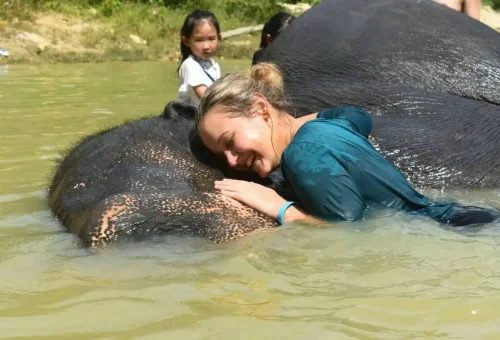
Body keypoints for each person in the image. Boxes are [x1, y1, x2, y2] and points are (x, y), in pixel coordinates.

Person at [195, 62, 498, 227]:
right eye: (222, 156)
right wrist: (299, 123)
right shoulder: (327, 128)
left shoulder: (302, 153)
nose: (232, 161)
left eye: (230, 142)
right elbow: (360, 116)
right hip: (462, 216)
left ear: (261, 109)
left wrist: (281, 208)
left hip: (455, 231)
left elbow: (351, 232)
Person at [177, 10, 221, 106]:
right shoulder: (190, 65)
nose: (206, 46)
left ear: (219, 38)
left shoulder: (213, 64)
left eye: (211, 39)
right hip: (188, 118)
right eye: (199, 40)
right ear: (186, 41)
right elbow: (205, 96)